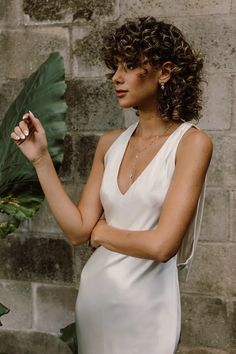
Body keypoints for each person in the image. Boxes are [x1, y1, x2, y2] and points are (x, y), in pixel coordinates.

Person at [11, 16, 212, 354]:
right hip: (96, 298)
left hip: (149, 309)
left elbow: (163, 246)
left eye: (131, 65)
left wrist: (102, 234)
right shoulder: (109, 143)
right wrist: (41, 160)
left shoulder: (192, 144)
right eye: (116, 66)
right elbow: (78, 231)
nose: (117, 77)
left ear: (164, 72)